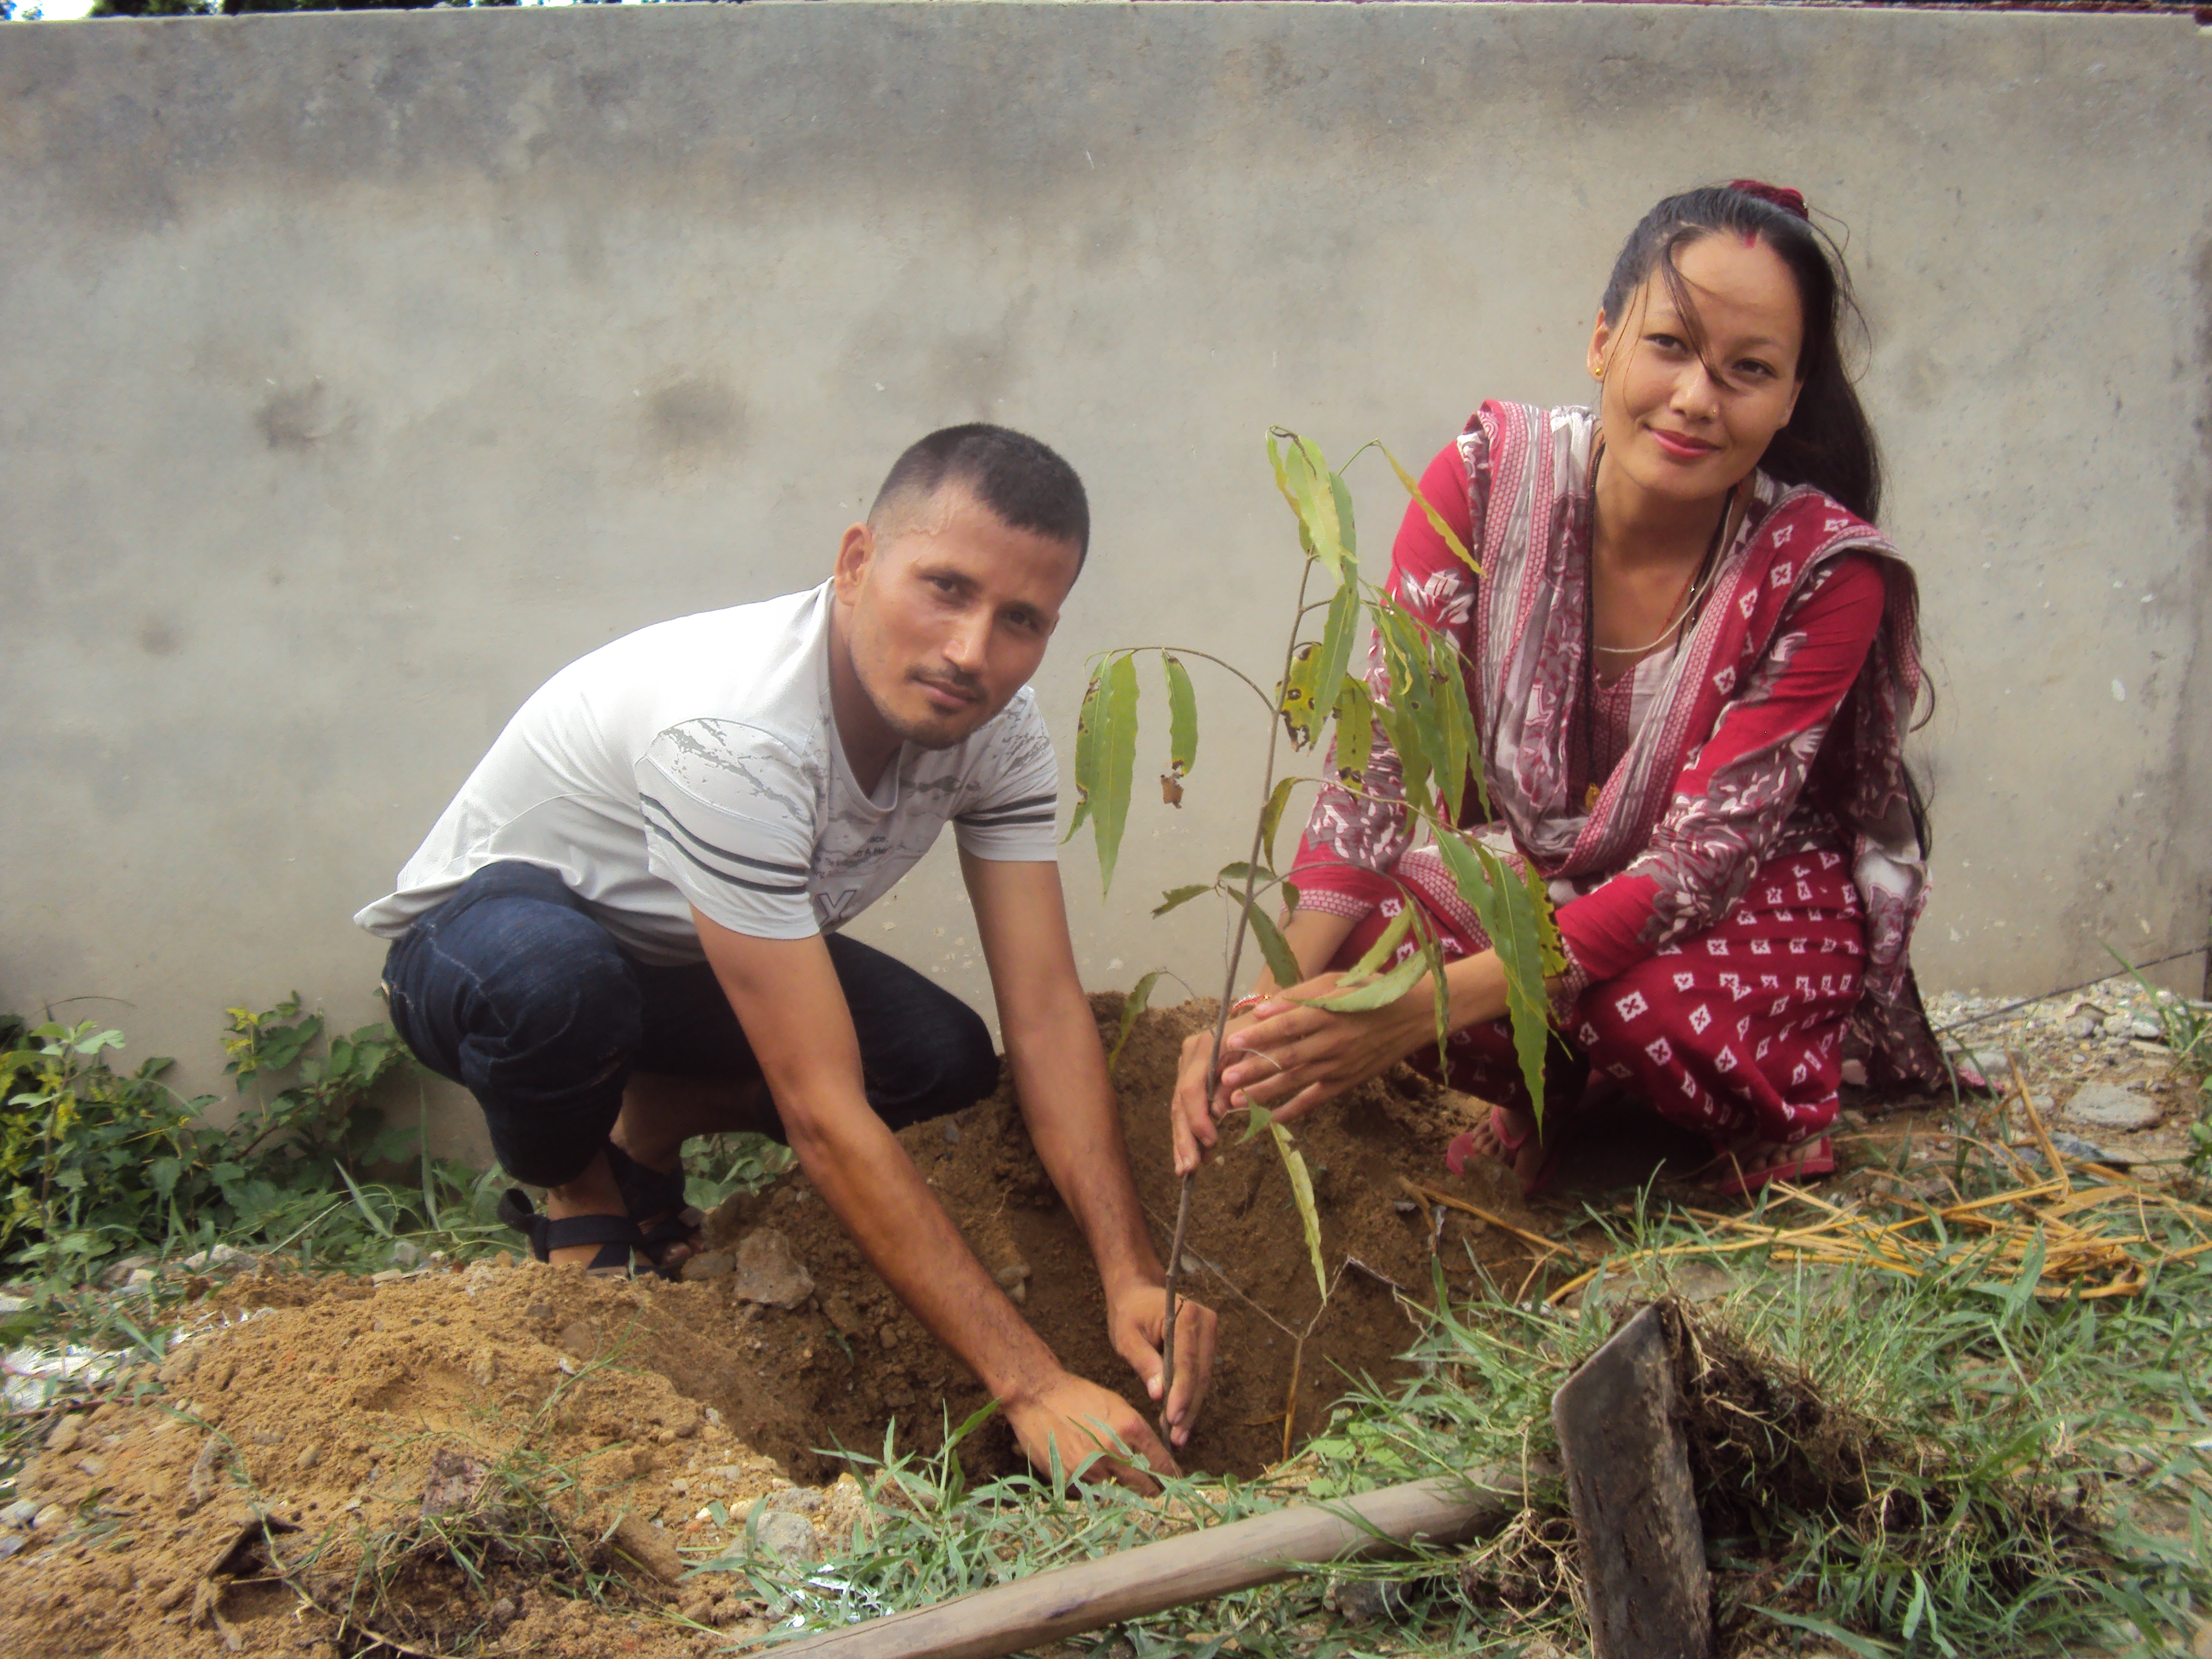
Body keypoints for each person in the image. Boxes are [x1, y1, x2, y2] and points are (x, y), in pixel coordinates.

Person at [358, 424, 1216, 1487]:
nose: (970, 651)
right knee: (556, 991)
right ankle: (582, 1185)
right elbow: (819, 1109)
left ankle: (647, 1123)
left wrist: (1130, 1273)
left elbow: (1042, 1009)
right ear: (856, 563)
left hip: (682, 960)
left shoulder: (999, 730)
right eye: (945, 588)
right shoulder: (738, 736)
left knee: (941, 1063)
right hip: (481, 943)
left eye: (1020, 620)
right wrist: (1031, 1384)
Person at [1172, 183, 1942, 1198]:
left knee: (1645, 1009)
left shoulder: (1822, 575)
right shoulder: (1486, 485)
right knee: (1360, 949)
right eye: (1669, 345)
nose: (1696, 398)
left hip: (1742, 900)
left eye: (1748, 370)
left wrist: (1419, 1012)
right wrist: (1262, 1020)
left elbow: (1696, 871)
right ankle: (1566, 1102)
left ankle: (1749, 1117)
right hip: (1551, 882)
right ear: (1602, 341)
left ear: (1793, 398)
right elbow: (1374, 781)